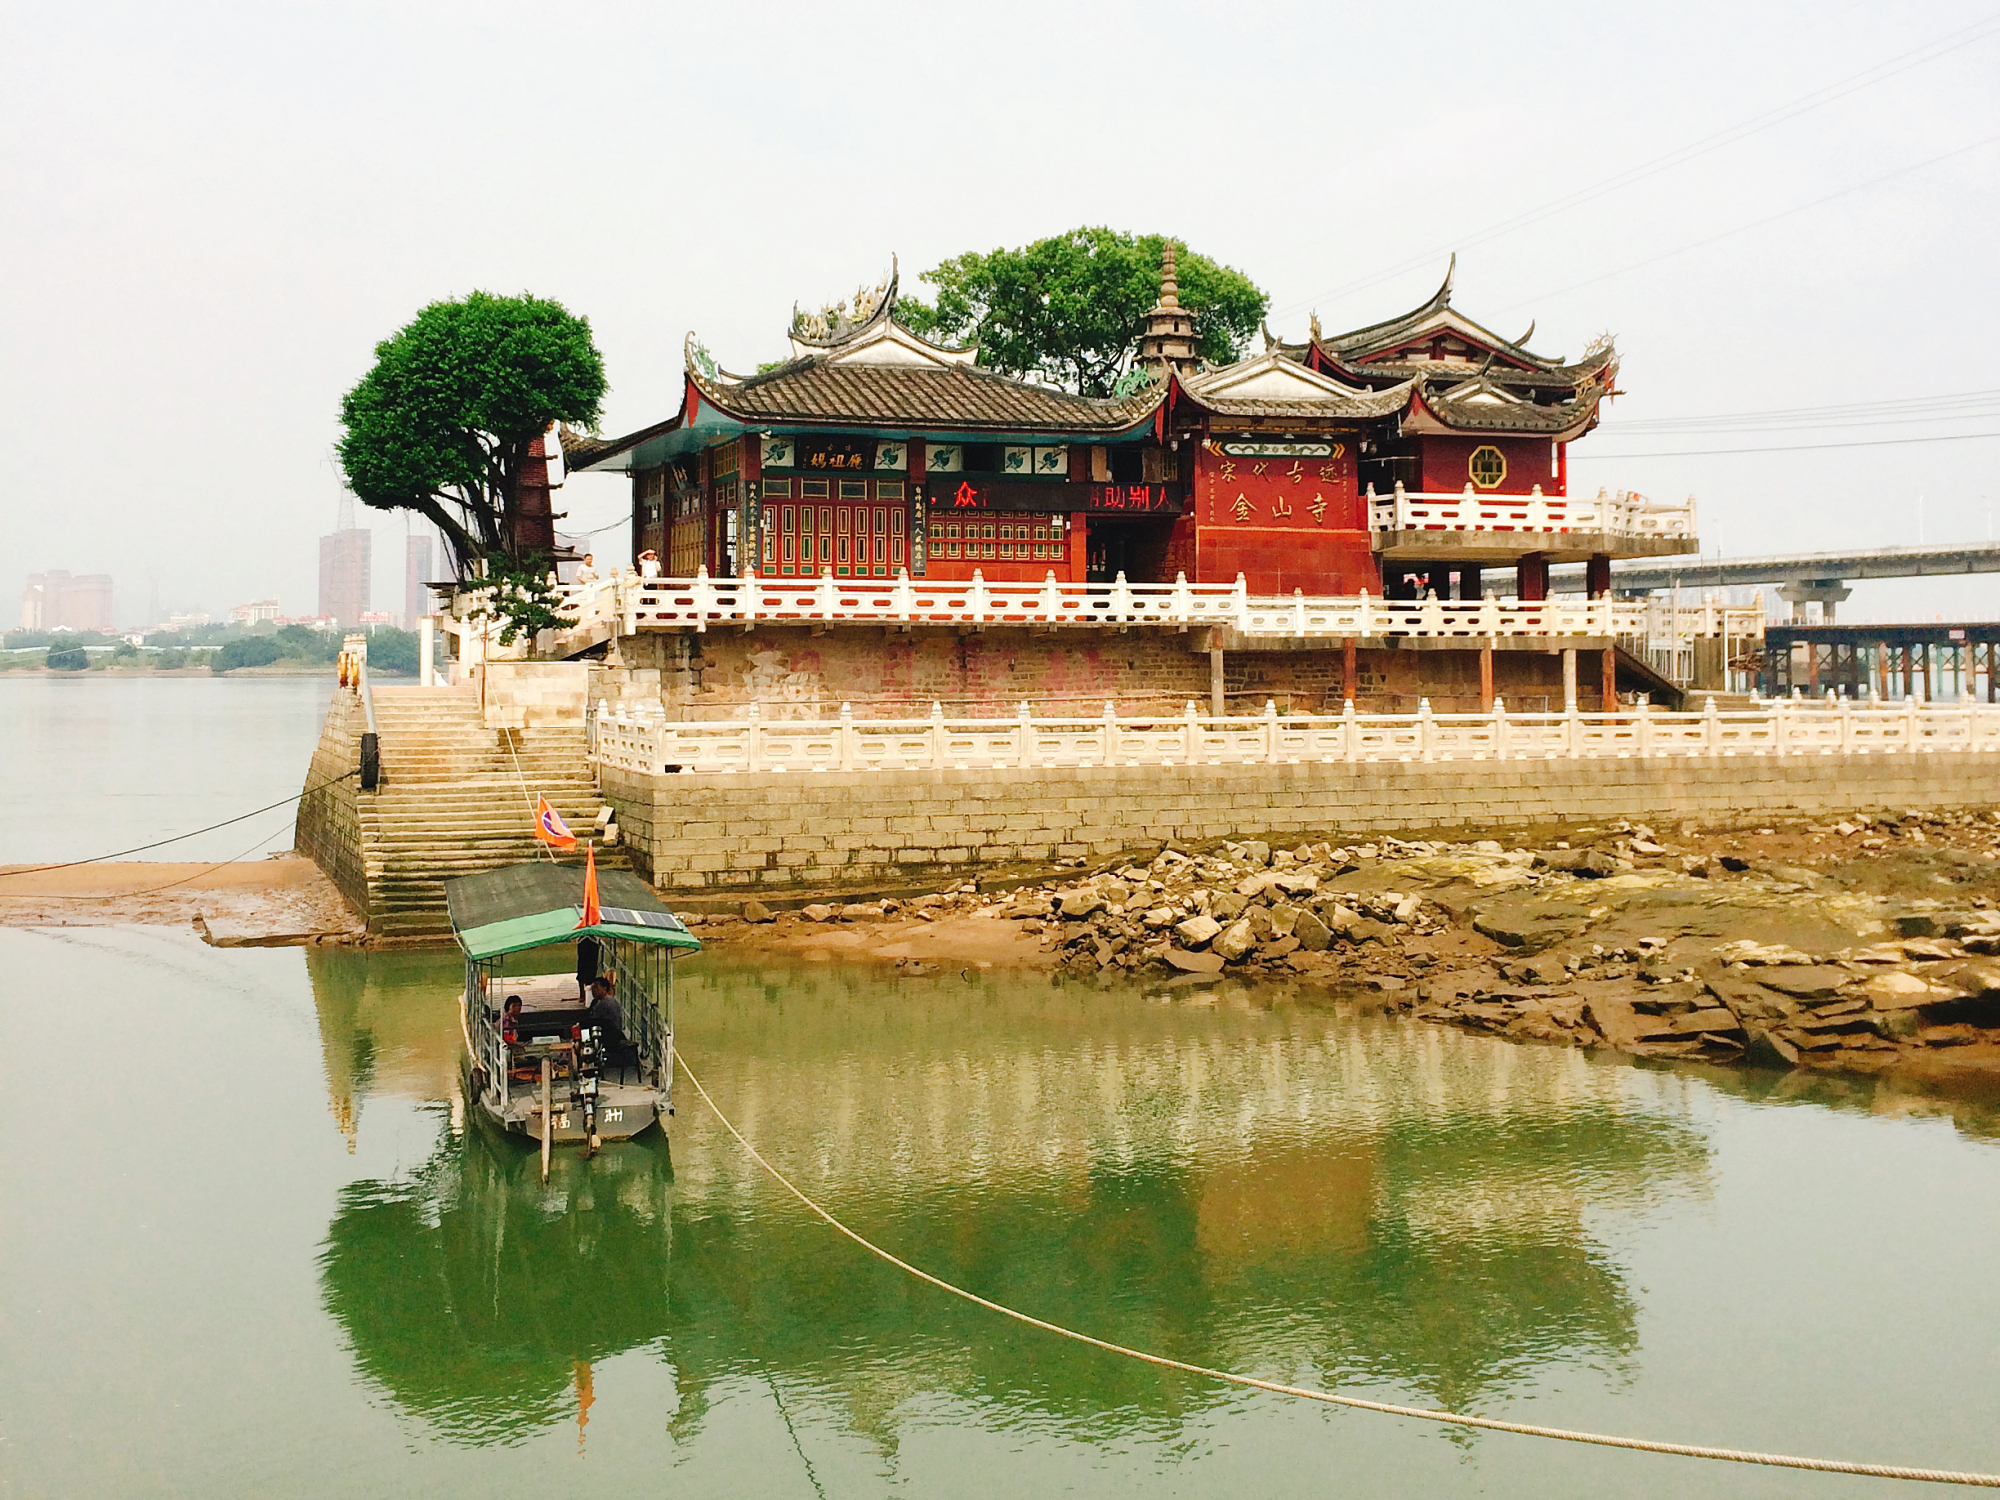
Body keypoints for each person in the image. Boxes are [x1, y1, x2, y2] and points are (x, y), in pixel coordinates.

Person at [575, 935, 601, 1003]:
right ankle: (582, 994)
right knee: (581, 968)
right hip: (582, 940)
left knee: (592, 969)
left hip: (593, 941)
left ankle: (589, 995)